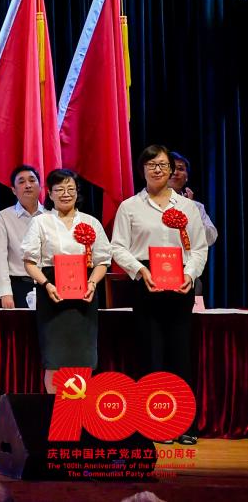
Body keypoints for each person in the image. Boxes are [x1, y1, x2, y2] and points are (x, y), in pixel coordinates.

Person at [111, 144, 208, 446]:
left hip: (181, 283)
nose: (158, 169)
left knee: (180, 355)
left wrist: (190, 275)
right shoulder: (130, 207)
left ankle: (184, 424)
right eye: (151, 164)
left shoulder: (188, 207)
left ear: (171, 170)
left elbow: (199, 248)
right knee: (150, 355)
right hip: (146, 282)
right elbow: (118, 247)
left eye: (163, 165)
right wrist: (141, 271)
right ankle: (155, 425)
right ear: (142, 169)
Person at [21, 169, 111, 393]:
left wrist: (92, 283)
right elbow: (30, 261)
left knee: (83, 359)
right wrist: (46, 284)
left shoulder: (90, 222)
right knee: (54, 360)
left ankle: (77, 410)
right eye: (59, 189)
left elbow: (103, 260)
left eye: (70, 188)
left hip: (85, 294)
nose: (65, 193)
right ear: (50, 194)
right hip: (52, 293)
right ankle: (55, 411)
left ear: (77, 192)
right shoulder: (41, 222)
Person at [0, 165, 44, 309]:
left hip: (48, 285)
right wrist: (5, 293)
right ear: (13, 190)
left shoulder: (51, 215)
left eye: (32, 180)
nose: (28, 185)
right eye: (21, 182)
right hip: (18, 286)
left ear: (40, 186)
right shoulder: (4, 217)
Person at [168, 152, 218, 298]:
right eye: (171, 168)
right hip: (153, 273)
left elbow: (210, 238)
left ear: (187, 177)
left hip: (187, 275)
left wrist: (190, 211)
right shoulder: (146, 203)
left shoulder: (196, 207)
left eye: (180, 169)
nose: (175, 173)